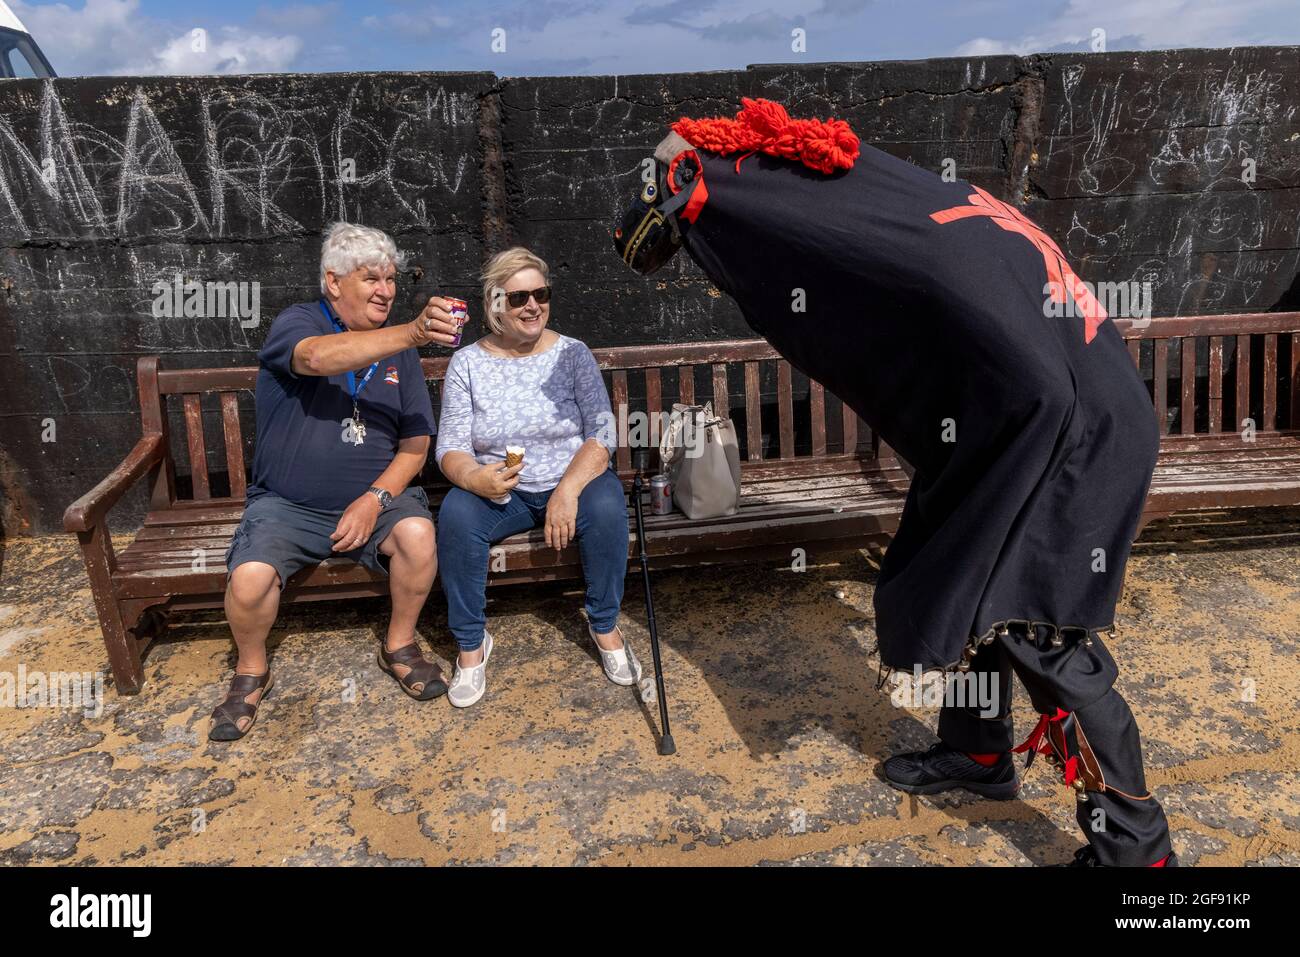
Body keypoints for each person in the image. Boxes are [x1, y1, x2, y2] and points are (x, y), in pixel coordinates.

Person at [615, 98, 1176, 867]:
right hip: (1069, 414)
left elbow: (1040, 388)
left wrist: (1000, 472)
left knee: (1042, 633)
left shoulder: (932, 239)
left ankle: (1138, 851)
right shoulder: (929, 210)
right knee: (972, 584)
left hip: (1077, 440)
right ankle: (979, 754)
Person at [211, 222, 461, 740]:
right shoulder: (298, 323)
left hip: (377, 502)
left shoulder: (400, 352)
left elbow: (416, 446)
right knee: (251, 578)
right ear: (333, 282)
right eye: (371, 279)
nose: (385, 291)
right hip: (288, 505)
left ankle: (399, 644)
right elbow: (317, 357)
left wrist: (374, 499)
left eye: (391, 280)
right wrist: (414, 331)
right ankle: (250, 669)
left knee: (419, 536)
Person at [434, 246, 635, 708]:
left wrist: (567, 489)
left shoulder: (572, 354)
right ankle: (471, 645)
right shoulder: (468, 363)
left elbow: (603, 432)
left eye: (540, 294)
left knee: (606, 509)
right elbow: (449, 446)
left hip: (573, 477)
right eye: (519, 296)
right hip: (503, 488)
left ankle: (604, 625)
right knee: (457, 517)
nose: (532, 305)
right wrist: (474, 478)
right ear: (496, 304)